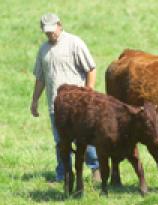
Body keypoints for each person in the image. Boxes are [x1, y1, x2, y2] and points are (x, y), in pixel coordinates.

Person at [30, 13, 100, 182]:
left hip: (77, 105)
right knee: (60, 141)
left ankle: (96, 169)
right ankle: (63, 175)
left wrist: (88, 92)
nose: (50, 34)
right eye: (46, 32)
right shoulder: (43, 49)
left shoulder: (74, 43)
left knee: (84, 138)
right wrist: (35, 100)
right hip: (56, 106)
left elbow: (91, 68)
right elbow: (40, 78)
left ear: (59, 25)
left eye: (52, 30)